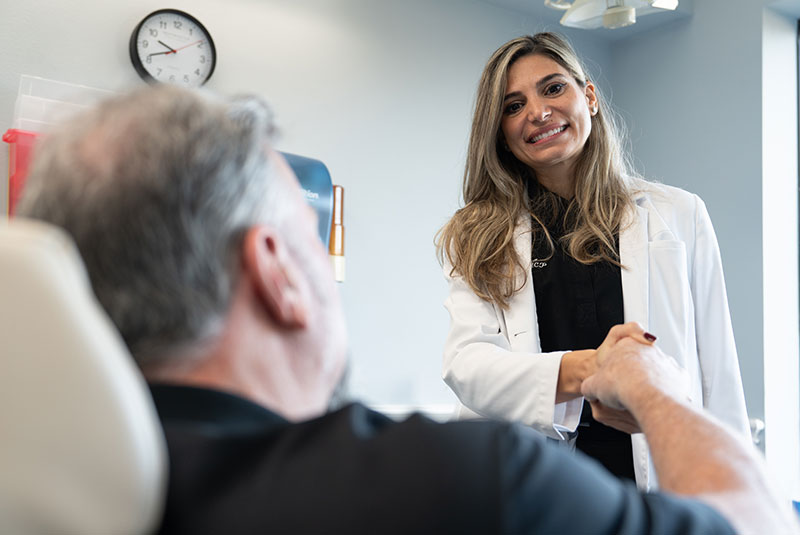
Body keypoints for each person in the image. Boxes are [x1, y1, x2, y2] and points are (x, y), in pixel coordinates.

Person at [16, 85, 795, 534]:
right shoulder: (465, 483)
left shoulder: (42, 494)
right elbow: (750, 520)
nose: (537, 110)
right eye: (309, 240)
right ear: (277, 272)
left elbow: (719, 357)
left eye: (553, 87)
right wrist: (641, 380)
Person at [436, 33, 749, 488]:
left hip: (654, 480)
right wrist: (596, 368)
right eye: (512, 105)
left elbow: (717, 372)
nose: (538, 112)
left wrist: (736, 497)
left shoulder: (679, 215)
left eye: (553, 88)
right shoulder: (479, 234)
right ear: (500, 133)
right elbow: (467, 366)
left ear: (590, 97)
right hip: (536, 487)